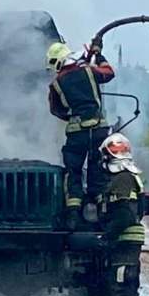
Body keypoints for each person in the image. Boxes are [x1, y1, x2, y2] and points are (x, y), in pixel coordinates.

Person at [47, 37, 115, 229]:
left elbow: (55, 110)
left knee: (73, 172)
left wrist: (72, 117)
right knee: (98, 170)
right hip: (99, 130)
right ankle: (100, 213)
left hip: (76, 133)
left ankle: (73, 216)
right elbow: (109, 72)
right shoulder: (88, 71)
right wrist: (98, 54)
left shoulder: (56, 84)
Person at [98, 132, 148, 296]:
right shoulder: (130, 177)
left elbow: (124, 213)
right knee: (128, 287)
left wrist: (107, 237)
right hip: (128, 240)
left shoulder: (122, 179)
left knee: (120, 289)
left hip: (124, 240)